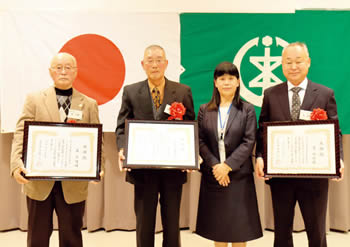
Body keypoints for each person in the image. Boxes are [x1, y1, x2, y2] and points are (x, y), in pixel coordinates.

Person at [255, 42, 344, 247]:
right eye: (288, 62)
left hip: (314, 176)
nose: (293, 66)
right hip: (281, 177)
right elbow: (262, 131)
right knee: (282, 232)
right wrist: (260, 157)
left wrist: (338, 160)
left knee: (316, 233)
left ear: (308, 62)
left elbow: (334, 131)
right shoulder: (270, 94)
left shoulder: (324, 94)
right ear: (282, 64)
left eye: (298, 61)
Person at [10, 52, 104, 247]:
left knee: (72, 236)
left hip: (73, 183)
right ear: (50, 71)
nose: (63, 71)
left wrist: (97, 167)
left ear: (76, 72)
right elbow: (21, 132)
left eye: (68, 67)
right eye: (58, 67)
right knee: (37, 237)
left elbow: (97, 140)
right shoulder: (34, 99)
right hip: (38, 181)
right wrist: (15, 164)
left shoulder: (89, 104)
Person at [115, 45, 195, 247]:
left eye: (159, 59)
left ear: (166, 63)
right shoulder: (131, 91)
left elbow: (191, 126)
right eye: (150, 60)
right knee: (144, 222)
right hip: (143, 170)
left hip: (172, 170)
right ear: (143, 64)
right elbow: (121, 127)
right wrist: (123, 149)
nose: (154, 64)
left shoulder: (183, 91)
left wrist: (190, 155)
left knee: (172, 222)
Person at [195, 62, 262, 247]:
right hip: (214, 175)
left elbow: (249, 141)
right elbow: (199, 141)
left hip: (239, 176)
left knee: (240, 228)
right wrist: (216, 166)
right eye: (222, 79)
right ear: (215, 83)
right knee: (219, 227)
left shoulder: (247, 109)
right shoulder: (204, 110)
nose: (226, 83)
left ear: (238, 82)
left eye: (231, 78)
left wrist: (228, 166)